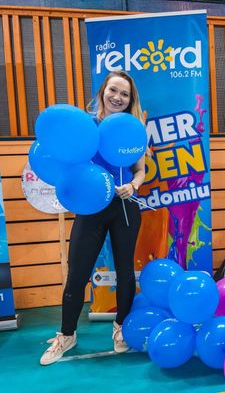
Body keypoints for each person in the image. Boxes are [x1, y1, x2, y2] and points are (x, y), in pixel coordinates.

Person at [40, 71, 146, 366]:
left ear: (130, 100)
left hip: (124, 207)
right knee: (77, 273)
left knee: (125, 271)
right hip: (89, 208)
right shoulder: (84, 126)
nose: (118, 97)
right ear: (102, 91)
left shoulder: (132, 128)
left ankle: (121, 328)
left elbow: (141, 169)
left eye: (124, 94)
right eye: (113, 90)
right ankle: (66, 335)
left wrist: (133, 185)